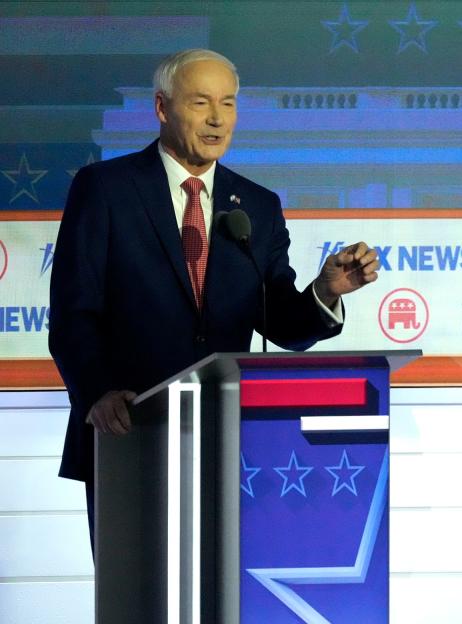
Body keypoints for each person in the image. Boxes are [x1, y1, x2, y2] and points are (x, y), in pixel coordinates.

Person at [48, 49, 380, 547]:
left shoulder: (257, 207)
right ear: (162, 108)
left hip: (229, 444)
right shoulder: (106, 189)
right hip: (128, 432)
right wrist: (97, 393)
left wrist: (324, 291)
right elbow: (74, 312)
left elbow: (279, 322)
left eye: (228, 103)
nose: (217, 118)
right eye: (201, 102)